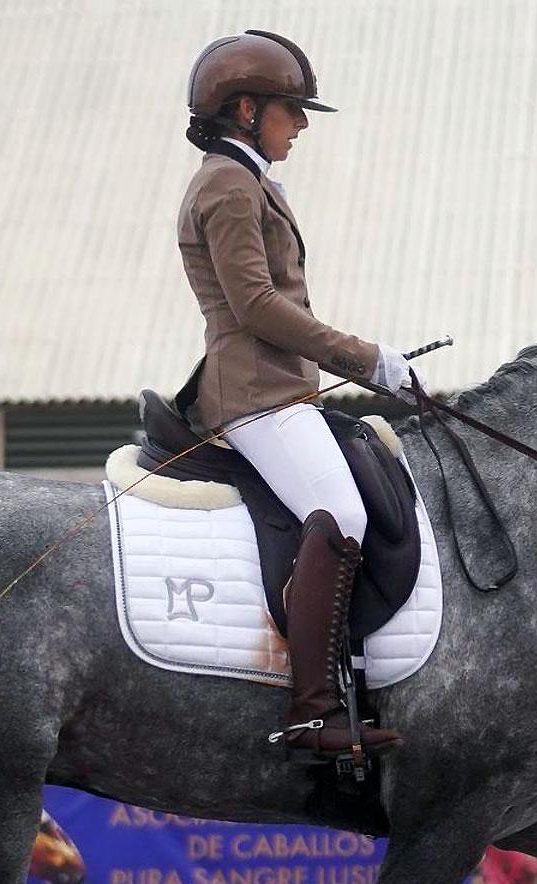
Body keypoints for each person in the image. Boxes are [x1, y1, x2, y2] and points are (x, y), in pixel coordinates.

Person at [177, 30, 413, 761]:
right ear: (246, 110)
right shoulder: (226, 186)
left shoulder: (247, 183)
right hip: (254, 395)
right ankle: (313, 712)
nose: (301, 124)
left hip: (281, 390)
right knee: (338, 511)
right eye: (291, 109)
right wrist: (364, 356)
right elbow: (257, 307)